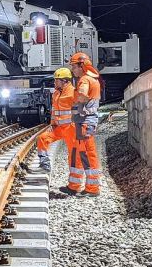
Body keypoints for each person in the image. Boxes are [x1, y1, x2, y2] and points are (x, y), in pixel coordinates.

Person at [66, 52, 102, 196]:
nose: (73, 70)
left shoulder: (84, 80)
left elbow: (81, 96)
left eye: (74, 66)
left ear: (82, 66)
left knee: (87, 153)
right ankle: (74, 186)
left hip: (85, 122)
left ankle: (92, 189)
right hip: (84, 122)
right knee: (79, 152)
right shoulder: (92, 79)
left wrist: (73, 100)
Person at [36, 68, 76, 174]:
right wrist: (52, 124)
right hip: (58, 128)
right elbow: (54, 111)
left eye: (56, 80)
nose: (54, 82)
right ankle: (45, 165)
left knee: (73, 154)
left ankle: (74, 183)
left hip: (71, 129)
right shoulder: (56, 94)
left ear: (64, 80)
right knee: (42, 139)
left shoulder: (73, 93)